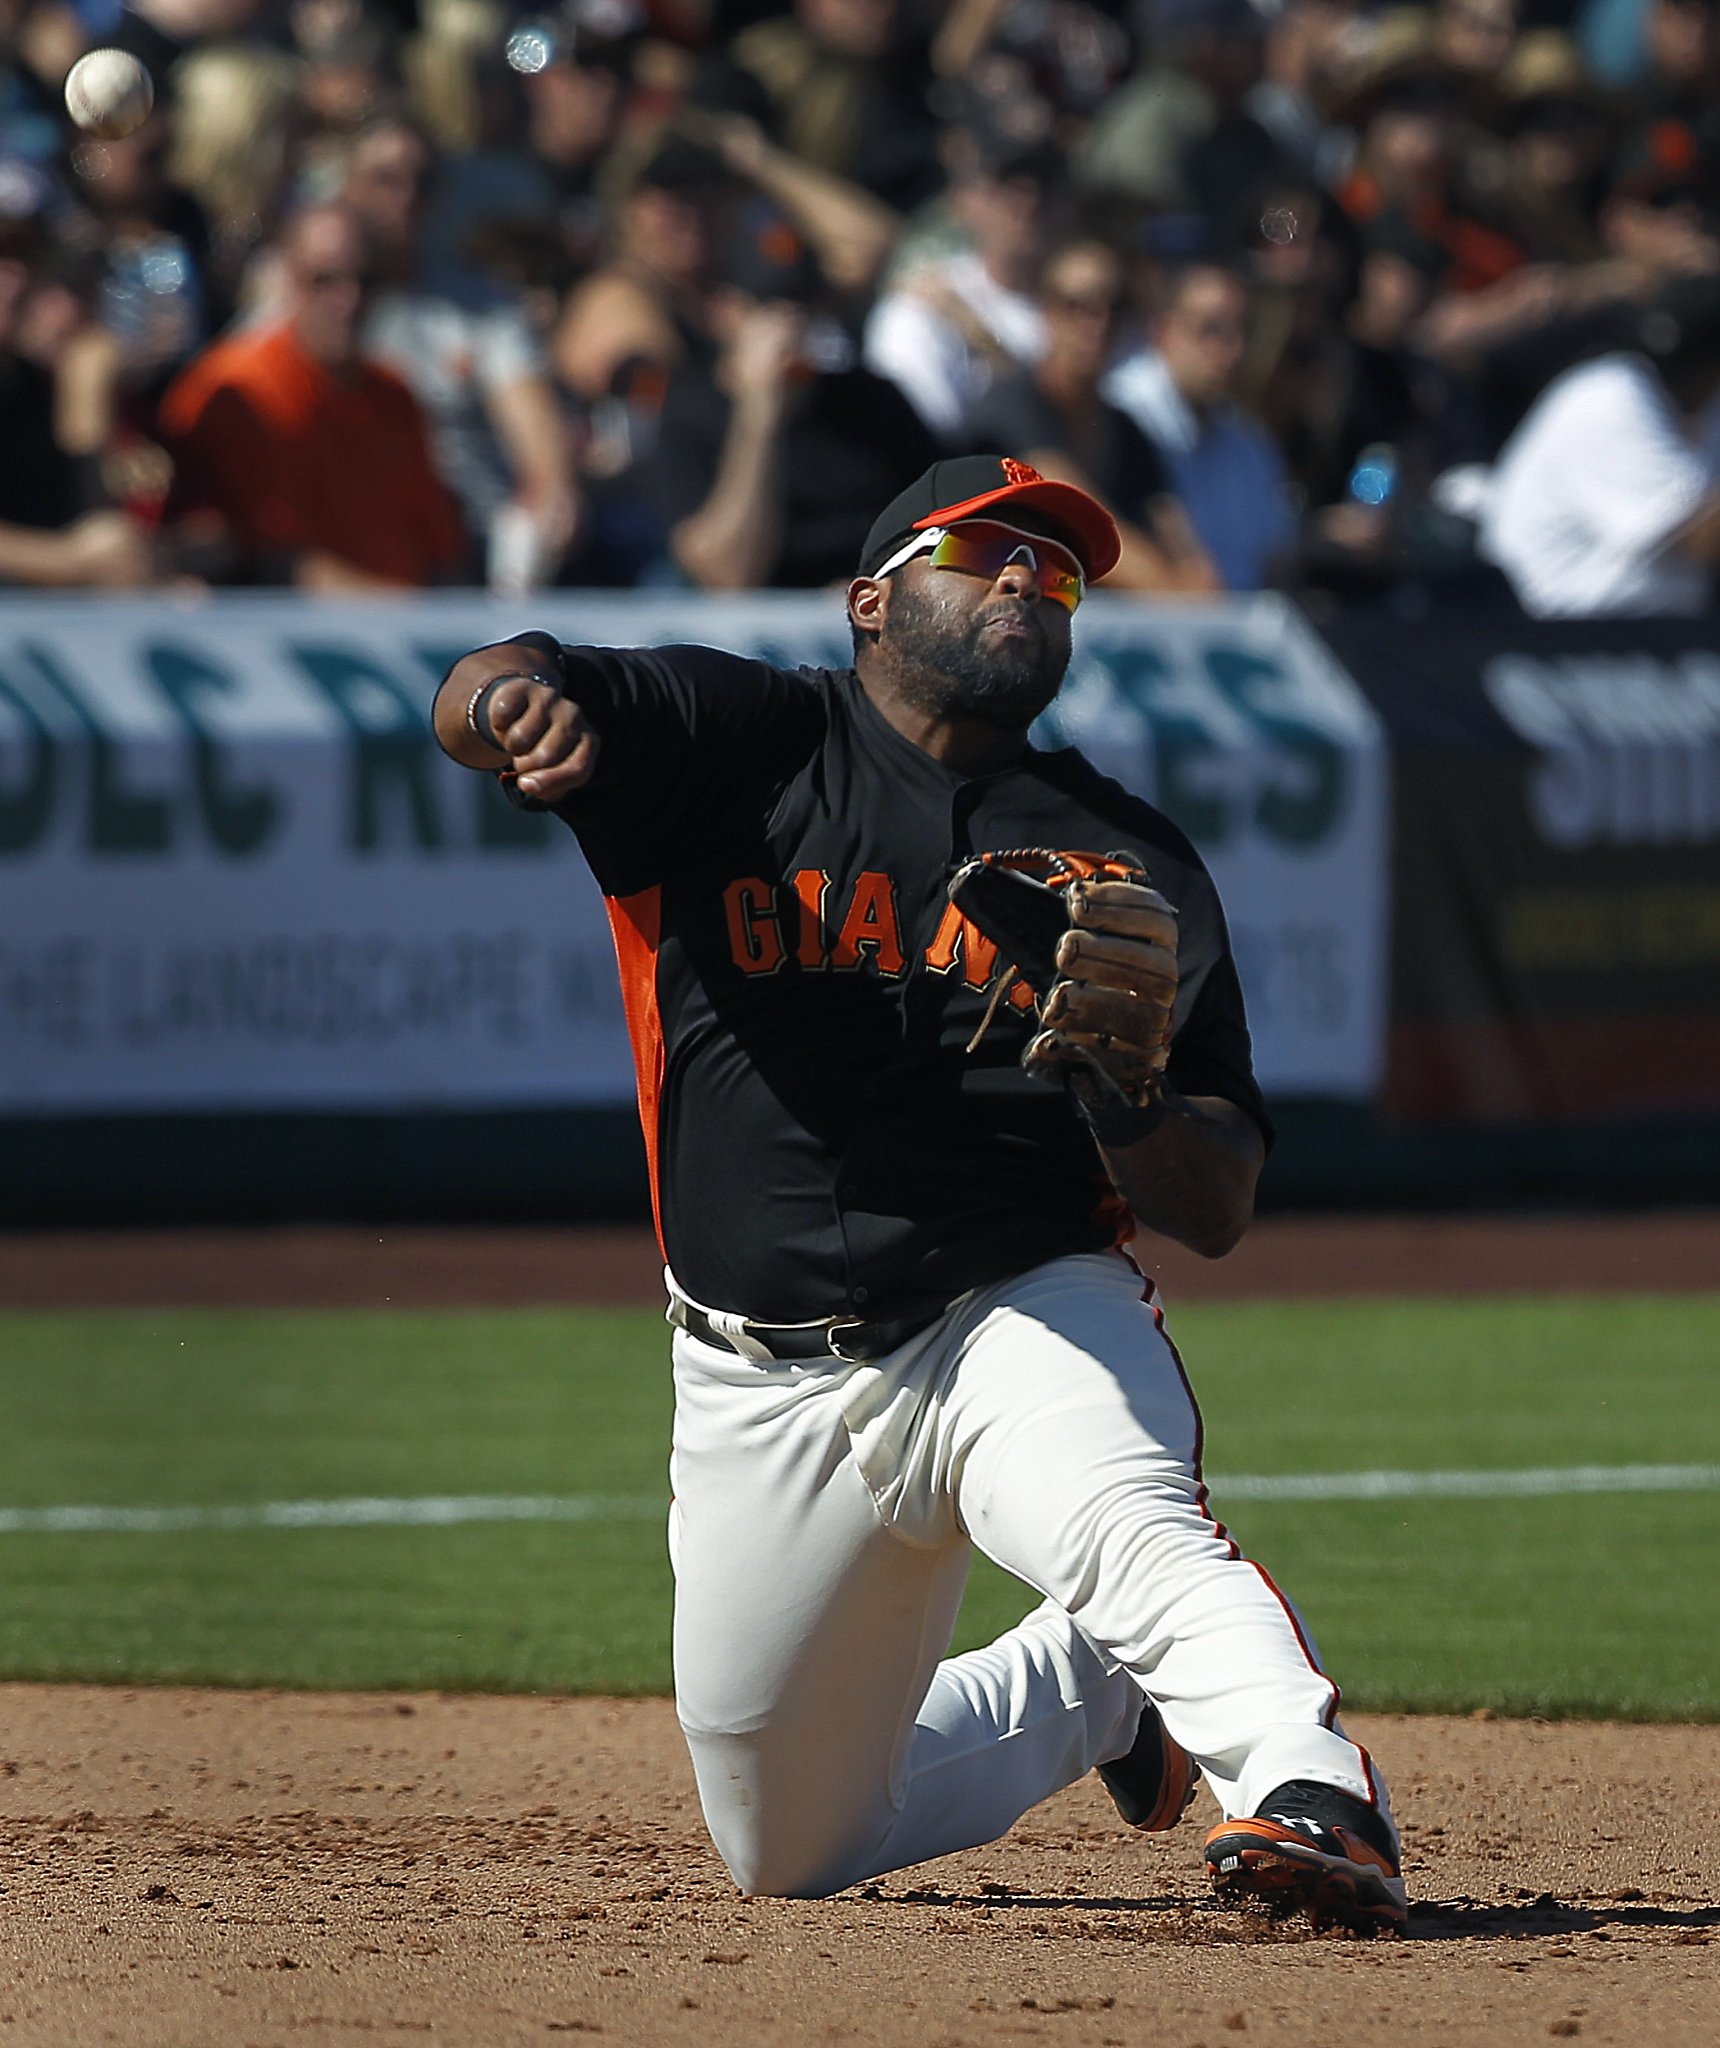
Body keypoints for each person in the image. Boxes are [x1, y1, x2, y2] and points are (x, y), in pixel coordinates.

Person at [428, 453, 1408, 1930]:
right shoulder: (744, 739)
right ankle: (1091, 1692)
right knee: (786, 1845)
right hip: (754, 1371)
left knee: (1127, 1526)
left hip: (1011, 1306)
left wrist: (1129, 1104)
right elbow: (495, 680)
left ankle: (1308, 1786)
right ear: (870, 599)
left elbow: (1214, 1203)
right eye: (988, 550)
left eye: (1061, 569)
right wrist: (511, 704)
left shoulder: (1128, 857)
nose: (1030, 579)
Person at [158, 203, 465, 589]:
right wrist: (403, 615)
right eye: (325, 280)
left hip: (410, 628)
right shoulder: (238, 389)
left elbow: (441, 547)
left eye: (365, 281)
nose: (349, 300)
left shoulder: (394, 393)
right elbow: (270, 560)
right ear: (289, 278)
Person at [961, 239, 1218, 593]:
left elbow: (1178, 536)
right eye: (1077, 305)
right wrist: (1180, 595)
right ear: (1045, 311)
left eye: (1113, 307)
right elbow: (1078, 518)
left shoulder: (1126, 428)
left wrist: (1201, 587)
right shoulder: (1011, 406)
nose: (1097, 323)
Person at [1478, 273, 1720, 614]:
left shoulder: (1701, 403)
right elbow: (1699, 543)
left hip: (1649, 635)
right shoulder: (1611, 393)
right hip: (1544, 630)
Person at [1105, 262, 1296, 590]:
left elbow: (1275, 563)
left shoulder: (1250, 446)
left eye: (1242, 331)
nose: (1232, 350)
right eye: (1210, 329)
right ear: (1162, 330)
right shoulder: (1117, 417)